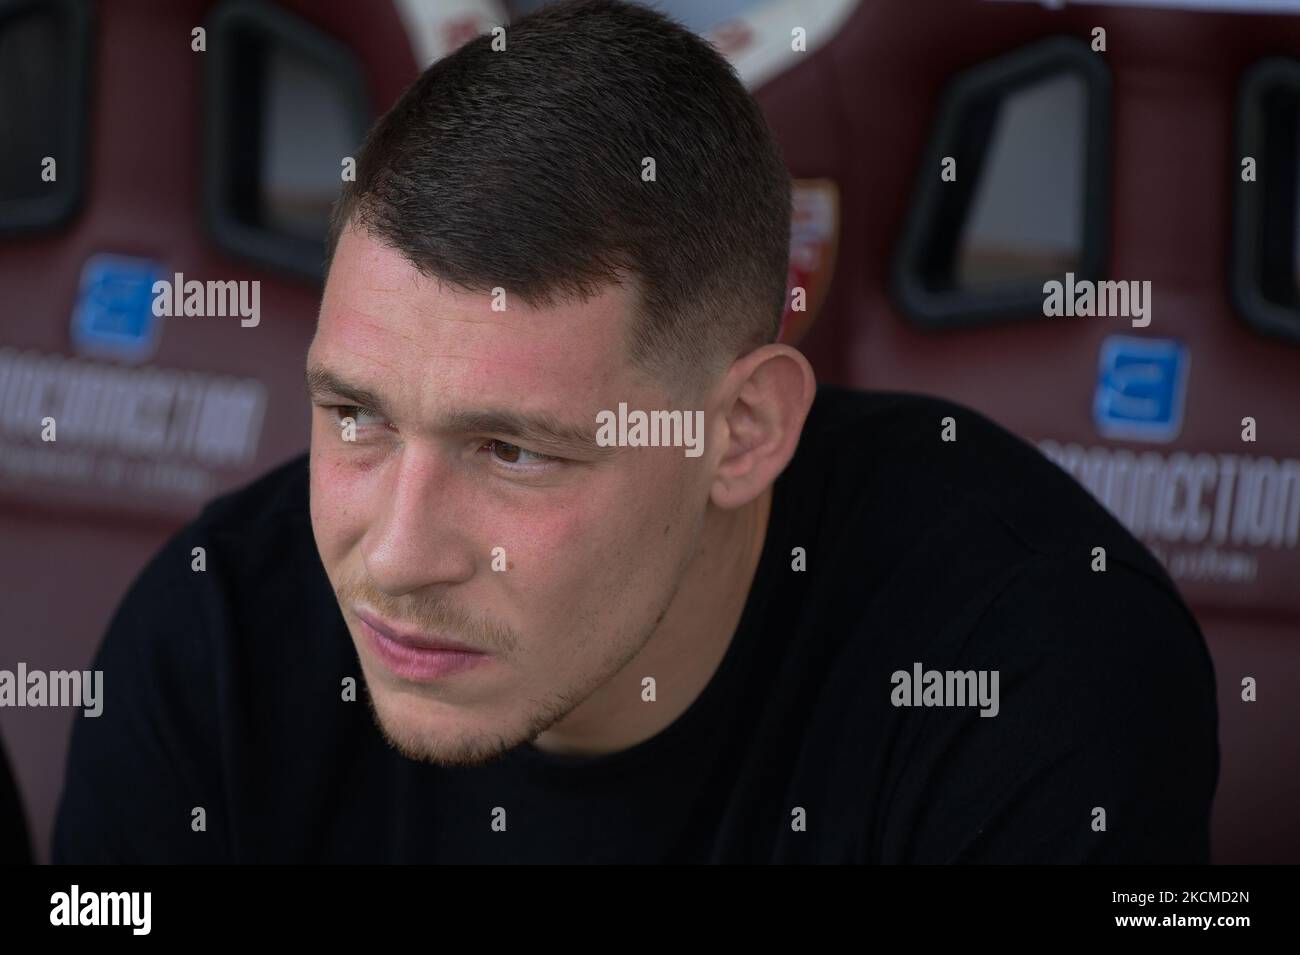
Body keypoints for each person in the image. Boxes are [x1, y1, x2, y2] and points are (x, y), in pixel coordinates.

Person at [53, 0, 1218, 863]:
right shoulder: (209, 645)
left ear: (743, 431)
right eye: (355, 416)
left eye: (511, 450)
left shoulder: (1029, 665)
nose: (396, 557)